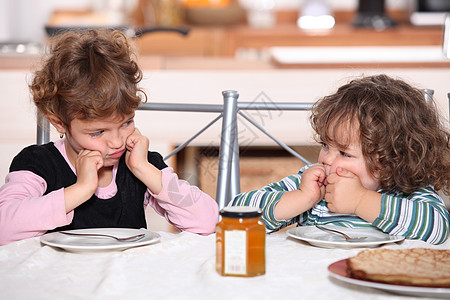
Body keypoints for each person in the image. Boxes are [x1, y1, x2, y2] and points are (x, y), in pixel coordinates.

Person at [0, 29, 219, 245]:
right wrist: (81, 189)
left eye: (126, 123)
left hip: (125, 277)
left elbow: (208, 221)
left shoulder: (140, 163)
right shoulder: (39, 163)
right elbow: (3, 227)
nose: (116, 142)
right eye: (97, 132)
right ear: (59, 122)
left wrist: (144, 169)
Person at [231, 74, 450, 245]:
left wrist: (360, 201)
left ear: (392, 162)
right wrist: (301, 198)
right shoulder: (315, 185)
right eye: (326, 146)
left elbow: (439, 230)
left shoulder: (409, 192)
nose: (326, 159)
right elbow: (235, 213)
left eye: (344, 153)